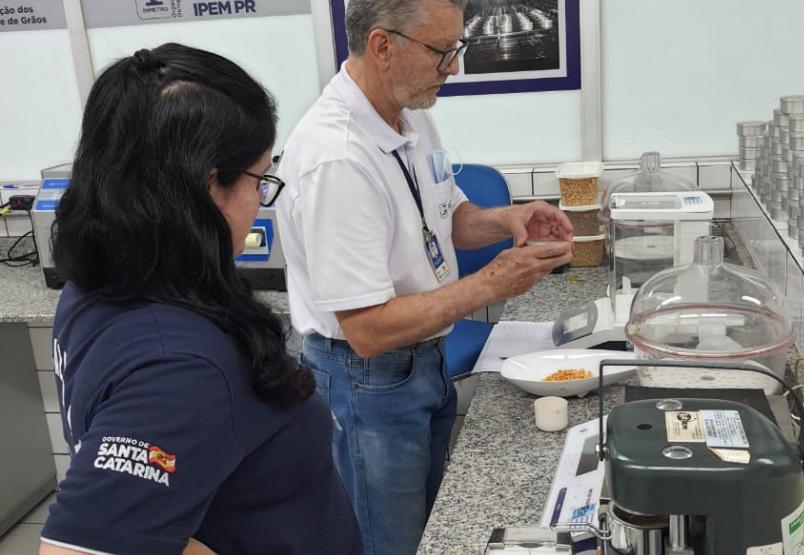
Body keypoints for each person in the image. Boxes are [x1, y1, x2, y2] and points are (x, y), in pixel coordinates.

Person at [39, 43, 361, 555]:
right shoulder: (181, 364)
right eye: (259, 179)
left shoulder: (100, 282)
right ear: (212, 185)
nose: (261, 200)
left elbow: (136, 513)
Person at [275, 1, 574, 553]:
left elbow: (445, 218)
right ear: (383, 47)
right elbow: (365, 328)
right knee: (388, 540)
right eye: (442, 51)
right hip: (368, 378)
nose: (453, 67)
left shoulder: (410, 116)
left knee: (429, 533)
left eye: (455, 48)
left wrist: (507, 221)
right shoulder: (337, 158)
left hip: (422, 360)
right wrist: (490, 283)